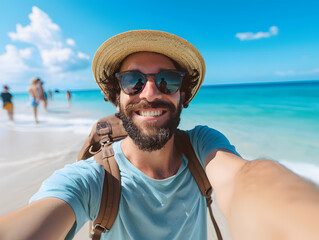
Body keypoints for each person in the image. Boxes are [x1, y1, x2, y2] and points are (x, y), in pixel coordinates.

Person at [0, 30, 318, 240]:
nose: (151, 92)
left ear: (183, 95)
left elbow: (245, 180)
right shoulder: (93, 179)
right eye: (133, 80)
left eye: (167, 79)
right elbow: (36, 221)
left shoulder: (201, 146)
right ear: (116, 96)